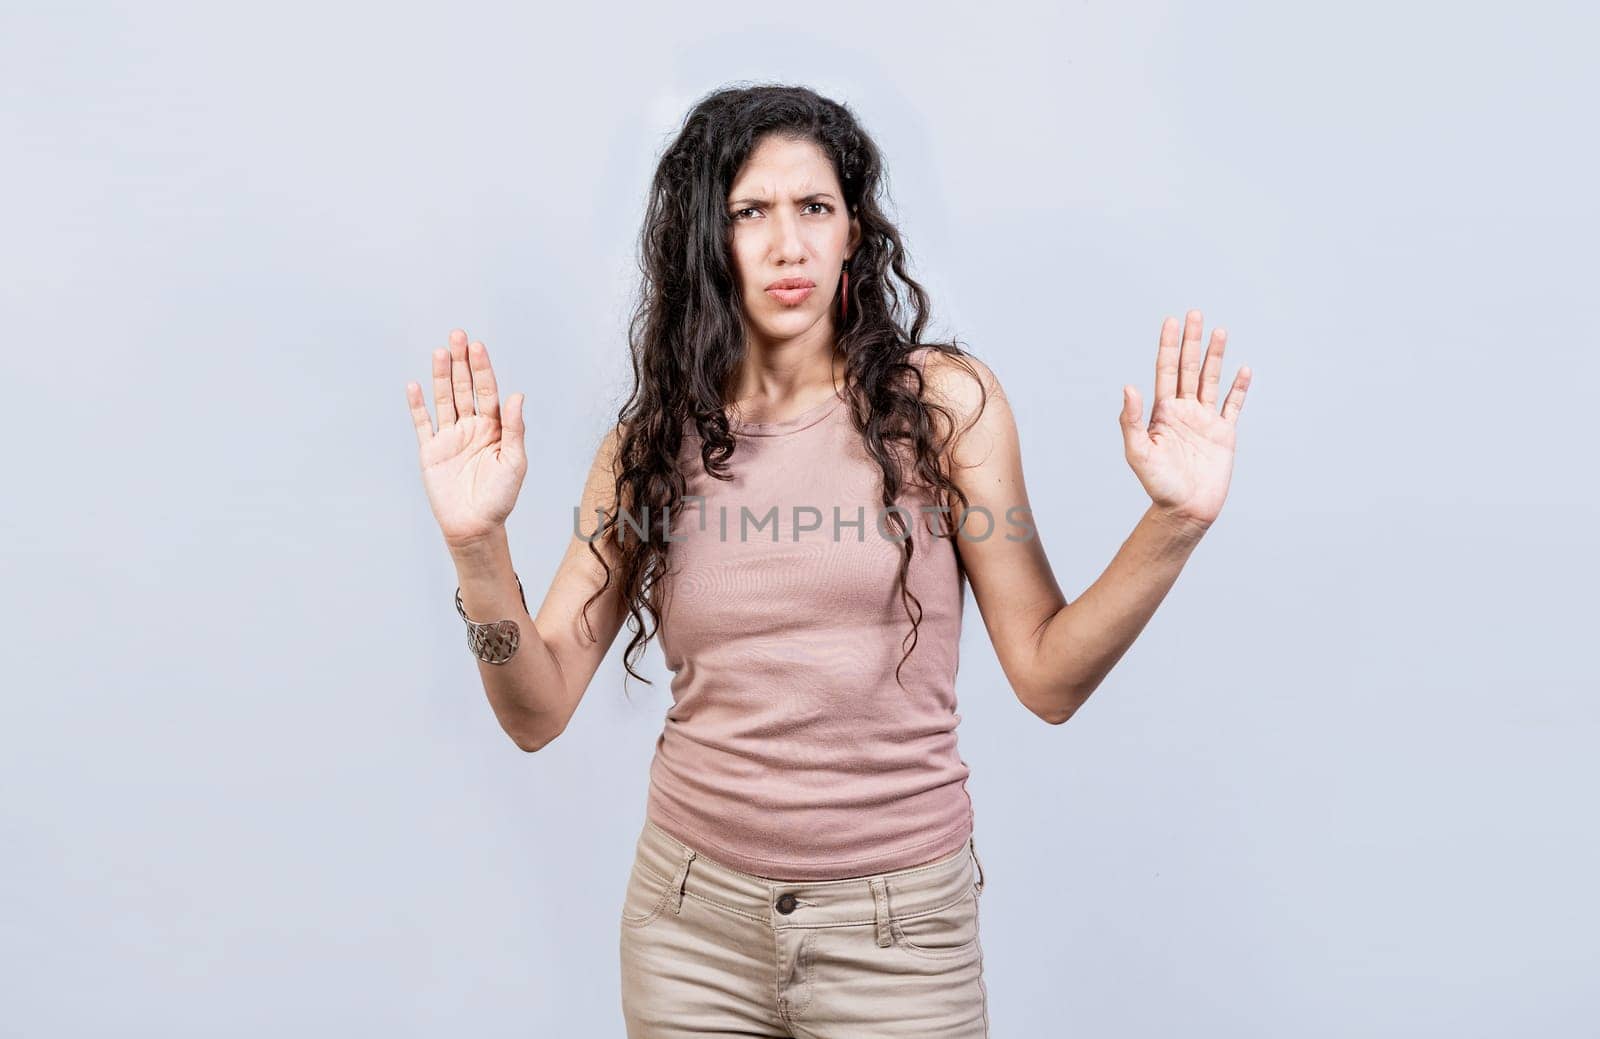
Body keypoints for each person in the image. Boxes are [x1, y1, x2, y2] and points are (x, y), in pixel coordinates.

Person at [403, 84, 1251, 1039]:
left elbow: (1049, 675)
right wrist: (477, 547)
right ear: (707, 241)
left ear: (856, 230)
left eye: (815, 207)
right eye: (749, 212)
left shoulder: (943, 407)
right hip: (690, 931)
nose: (788, 244)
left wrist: (1174, 520)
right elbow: (537, 708)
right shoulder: (647, 445)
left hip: (898, 936)